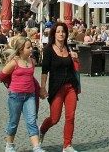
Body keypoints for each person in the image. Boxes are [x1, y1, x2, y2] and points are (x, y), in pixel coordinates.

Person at [0, 35, 45, 152]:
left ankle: (36, 147)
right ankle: (9, 145)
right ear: (21, 49)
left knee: (32, 121)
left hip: (29, 95)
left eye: (31, 47)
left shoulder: (32, 62)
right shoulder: (14, 62)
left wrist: (39, 89)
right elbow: (1, 75)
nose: (31, 49)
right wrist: (10, 84)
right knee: (14, 121)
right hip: (15, 96)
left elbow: (31, 78)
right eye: (28, 47)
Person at [39, 22, 81, 152]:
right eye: (58, 31)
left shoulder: (69, 49)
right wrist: (43, 87)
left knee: (70, 116)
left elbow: (76, 68)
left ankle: (67, 145)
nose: (61, 34)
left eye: (63, 31)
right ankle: (42, 130)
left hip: (70, 87)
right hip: (56, 88)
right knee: (54, 118)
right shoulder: (48, 50)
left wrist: (76, 59)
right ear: (54, 34)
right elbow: (45, 70)